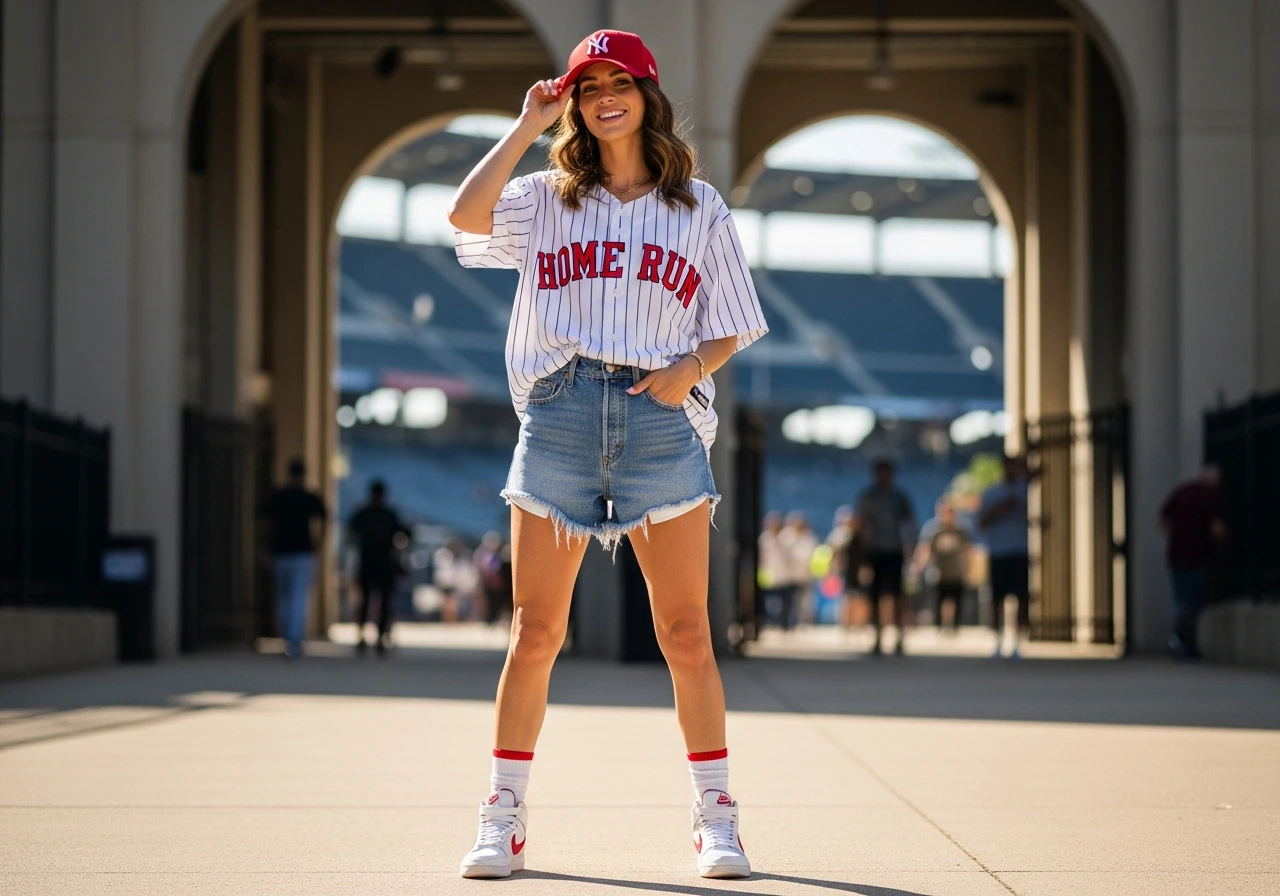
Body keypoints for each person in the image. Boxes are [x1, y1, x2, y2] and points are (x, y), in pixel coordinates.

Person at [448, 30, 768, 880]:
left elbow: (734, 319)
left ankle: (717, 816)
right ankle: (502, 815)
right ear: (576, 104)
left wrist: (688, 370)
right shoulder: (548, 195)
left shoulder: (698, 206)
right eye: (589, 87)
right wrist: (525, 124)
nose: (605, 96)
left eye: (619, 81)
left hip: (660, 416)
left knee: (687, 631)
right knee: (535, 630)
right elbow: (465, 216)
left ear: (648, 94)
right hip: (559, 409)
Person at [1159, 465, 1226, 660]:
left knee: (1181, 600)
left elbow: (1162, 518)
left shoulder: (1182, 491)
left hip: (1177, 555)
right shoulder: (1210, 496)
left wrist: (1176, 535)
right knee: (1192, 602)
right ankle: (1182, 641)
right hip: (1198, 557)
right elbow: (1217, 529)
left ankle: (1181, 641)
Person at [263, 459, 327, 660]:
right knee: (297, 599)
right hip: (302, 553)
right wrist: (318, 543)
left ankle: (287, 639)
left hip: (281, 552)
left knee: (283, 599)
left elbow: (264, 522)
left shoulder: (279, 497)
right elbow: (324, 519)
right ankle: (294, 641)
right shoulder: (308, 497)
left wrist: (265, 548)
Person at [857, 460, 918, 655]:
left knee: (898, 595)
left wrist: (910, 546)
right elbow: (863, 525)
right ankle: (877, 636)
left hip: (894, 550)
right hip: (876, 551)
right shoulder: (869, 497)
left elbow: (910, 522)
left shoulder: (899, 497)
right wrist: (864, 553)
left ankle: (900, 636)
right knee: (875, 597)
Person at [346, 480, 409, 656]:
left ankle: (361, 636)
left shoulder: (363, 513)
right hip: (384, 563)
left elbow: (350, 534)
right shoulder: (389, 514)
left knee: (365, 601)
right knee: (384, 602)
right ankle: (380, 637)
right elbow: (405, 534)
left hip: (367, 562)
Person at [979, 455, 1030, 659]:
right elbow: (982, 521)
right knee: (997, 599)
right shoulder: (992, 493)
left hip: (1019, 549)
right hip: (999, 550)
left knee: (1021, 598)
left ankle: (1018, 642)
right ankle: (998, 641)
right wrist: (1002, 508)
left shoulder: (1025, 490)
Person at [912, 499, 973, 633]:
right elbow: (925, 549)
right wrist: (918, 566)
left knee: (957, 600)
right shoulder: (932, 530)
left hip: (956, 571)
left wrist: (969, 571)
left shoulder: (961, 530)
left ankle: (955, 626)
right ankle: (939, 626)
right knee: (938, 600)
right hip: (939, 572)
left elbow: (968, 551)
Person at [778, 512, 818, 630]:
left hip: (804, 576)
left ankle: (803, 623)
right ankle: (787, 623)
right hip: (788, 576)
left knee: (804, 602)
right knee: (788, 602)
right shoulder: (786, 537)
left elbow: (811, 557)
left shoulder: (809, 538)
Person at [756, 511, 787, 634]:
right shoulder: (764, 538)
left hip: (783, 575)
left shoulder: (785, 538)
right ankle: (766, 622)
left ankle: (782, 623)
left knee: (783, 602)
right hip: (766, 574)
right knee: (767, 600)